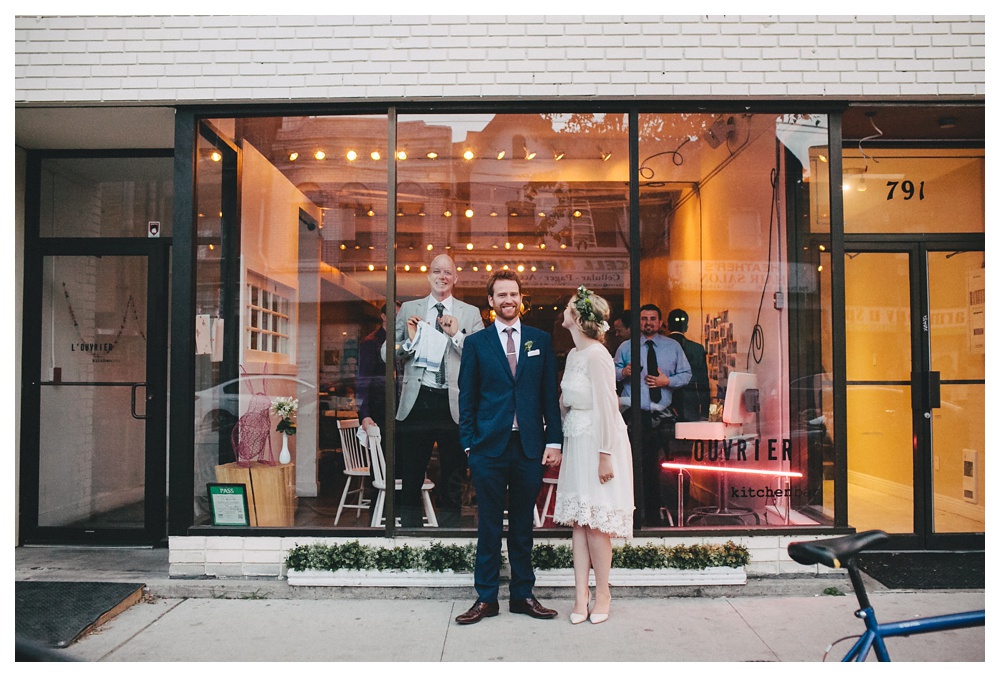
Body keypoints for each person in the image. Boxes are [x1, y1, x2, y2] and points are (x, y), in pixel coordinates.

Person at [455, 269, 563, 625]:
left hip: (529, 447)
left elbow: (550, 395)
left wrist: (554, 440)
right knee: (488, 525)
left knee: (522, 527)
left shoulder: (539, 340)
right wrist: (469, 445)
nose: (508, 300)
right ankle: (486, 598)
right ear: (490, 302)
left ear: (521, 299)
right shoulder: (476, 344)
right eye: (501, 295)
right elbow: (466, 399)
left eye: (513, 294)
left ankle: (522, 595)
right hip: (488, 448)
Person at [553, 286, 634, 625]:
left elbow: (607, 406)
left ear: (578, 318)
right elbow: (570, 398)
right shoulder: (574, 355)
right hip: (577, 441)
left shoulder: (599, 355)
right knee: (579, 522)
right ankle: (580, 595)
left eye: (570, 307)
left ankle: (603, 593)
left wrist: (605, 455)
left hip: (599, 444)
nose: (564, 311)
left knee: (597, 524)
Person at [394, 254, 484, 527]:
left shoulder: (470, 313)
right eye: (436, 271)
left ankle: (450, 538)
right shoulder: (409, 309)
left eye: (448, 272)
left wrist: (457, 335)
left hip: (453, 402)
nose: (442, 276)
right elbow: (388, 354)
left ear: (455, 278)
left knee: (453, 475)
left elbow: (482, 356)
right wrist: (408, 343)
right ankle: (409, 537)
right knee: (410, 473)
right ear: (428, 275)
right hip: (417, 400)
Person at [614, 303, 691, 527]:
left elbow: (686, 374)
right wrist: (623, 372)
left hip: (661, 416)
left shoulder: (673, 346)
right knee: (633, 465)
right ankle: (634, 511)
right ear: (638, 322)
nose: (648, 323)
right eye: (644, 318)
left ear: (660, 322)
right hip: (632, 415)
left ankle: (656, 512)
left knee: (658, 467)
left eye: (652, 319)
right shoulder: (626, 347)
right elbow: (610, 372)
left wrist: (667, 381)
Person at [665, 308, 710, 423]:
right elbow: (703, 382)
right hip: (690, 402)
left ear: (667, 325)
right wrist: (704, 412)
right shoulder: (697, 349)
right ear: (686, 327)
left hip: (666, 401)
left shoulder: (660, 346)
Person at [357, 305, 387, 435]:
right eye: (394, 315)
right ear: (383, 316)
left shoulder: (403, 340)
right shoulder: (371, 342)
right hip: (378, 409)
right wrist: (365, 414)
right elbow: (363, 379)